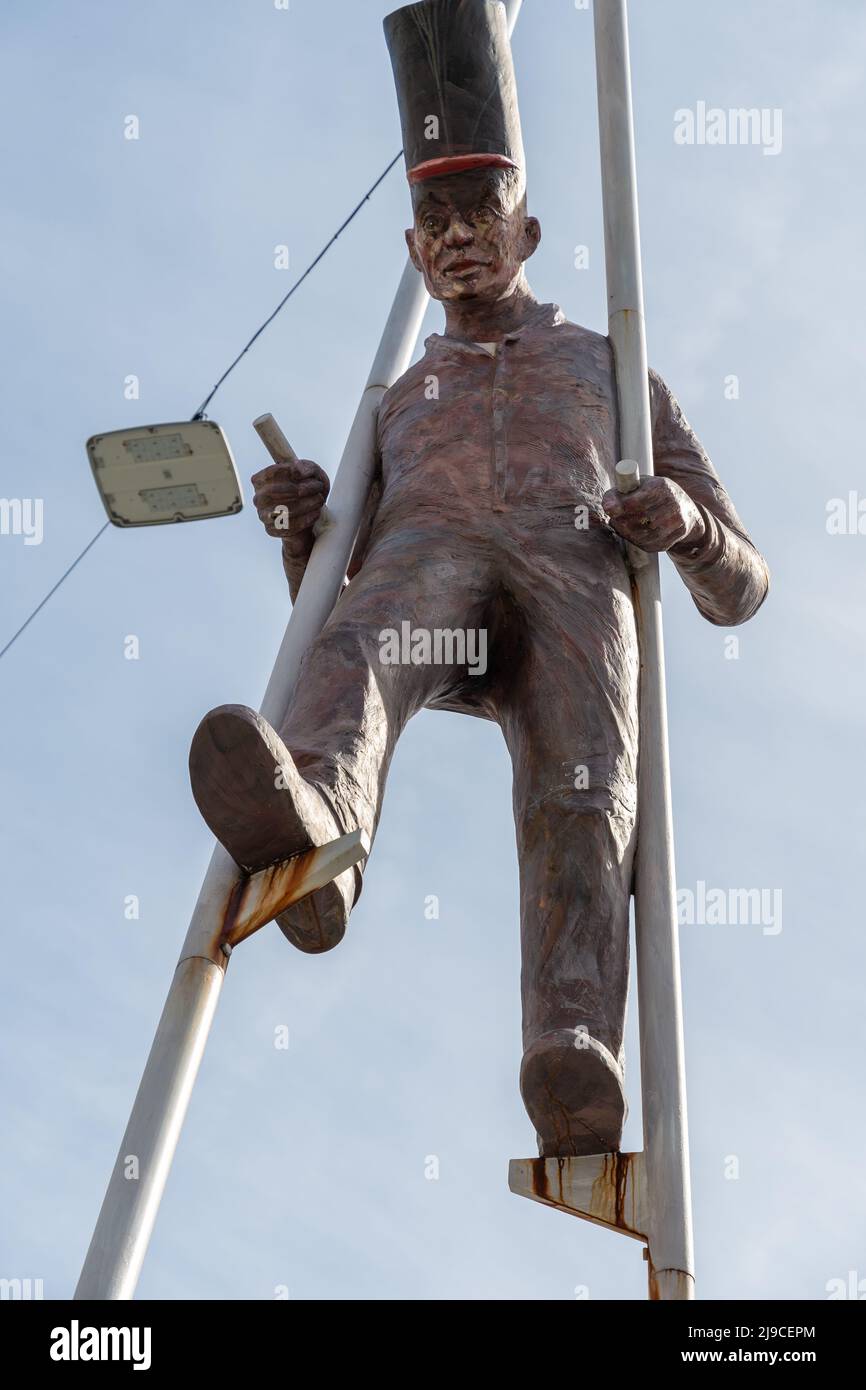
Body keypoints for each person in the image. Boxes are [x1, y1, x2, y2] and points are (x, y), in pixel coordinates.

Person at [189, 0, 768, 1158]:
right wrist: (305, 528)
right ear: (411, 248)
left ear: (529, 228)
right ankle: (315, 834)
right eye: (431, 218)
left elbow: (741, 582)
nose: (455, 236)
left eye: (478, 212)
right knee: (369, 633)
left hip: (571, 580)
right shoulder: (396, 402)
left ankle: (570, 1048)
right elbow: (336, 595)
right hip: (434, 596)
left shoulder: (610, 366)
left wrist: (686, 524)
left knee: (582, 789)